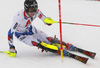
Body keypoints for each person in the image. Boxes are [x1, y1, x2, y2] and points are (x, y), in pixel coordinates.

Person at [7, 0, 75, 57]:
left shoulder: (36, 12)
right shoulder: (18, 18)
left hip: (31, 29)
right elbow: (10, 32)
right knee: (37, 42)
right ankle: (57, 50)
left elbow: (44, 18)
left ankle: (65, 45)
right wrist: (11, 46)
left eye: (35, 9)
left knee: (48, 39)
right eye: (31, 10)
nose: (33, 12)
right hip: (21, 35)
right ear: (26, 9)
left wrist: (48, 22)